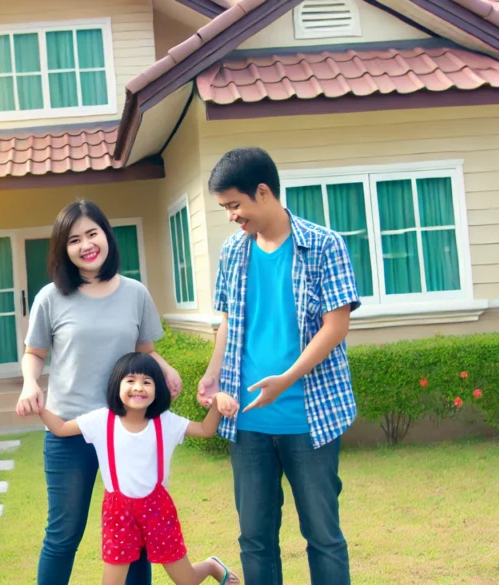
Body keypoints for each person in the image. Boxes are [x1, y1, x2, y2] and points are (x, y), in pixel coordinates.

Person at [198, 147, 360, 584]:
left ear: (263, 192)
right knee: (255, 538)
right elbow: (229, 320)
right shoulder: (234, 252)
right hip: (248, 423)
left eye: (234, 205)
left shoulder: (324, 245)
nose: (231, 216)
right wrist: (213, 375)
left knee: (323, 536)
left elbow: (336, 326)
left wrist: (285, 379)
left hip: (310, 418)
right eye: (225, 208)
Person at [16, 199, 183, 585]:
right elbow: (34, 353)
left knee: (136, 536)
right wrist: (30, 383)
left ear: (107, 236)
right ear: (63, 248)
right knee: (63, 534)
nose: (86, 244)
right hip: (70, 431)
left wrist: (166, 366)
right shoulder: (50, 298)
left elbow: (145, 352)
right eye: (74, 239)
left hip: (126, 433)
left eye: (93, 233)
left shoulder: (135, 292)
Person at [39, 352, 242, 585]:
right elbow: (62, 427)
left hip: (158, 511)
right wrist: (38, 407)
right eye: (131, 380)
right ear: (117, 385)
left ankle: (211, 565)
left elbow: (206, 430)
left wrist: (217, 401)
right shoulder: (101, 420)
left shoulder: (165, 422)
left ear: (157, 389)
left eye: (147, 382)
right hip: (118, 514)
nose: (139, 387)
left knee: (187, 581)